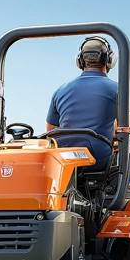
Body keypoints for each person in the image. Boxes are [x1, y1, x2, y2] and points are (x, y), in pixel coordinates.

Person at [46, 36, 118, 170]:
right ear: (109, 60)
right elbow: (126, 129)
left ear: (80, 61)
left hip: (62, 156)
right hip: (97, 156)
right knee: (126, 152)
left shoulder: (60, 90)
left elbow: (50, 130)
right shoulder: (118, 89)